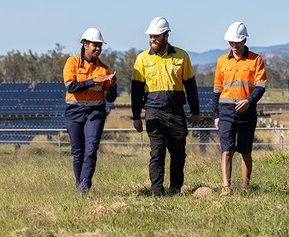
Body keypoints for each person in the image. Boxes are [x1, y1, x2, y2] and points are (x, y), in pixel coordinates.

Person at [131, 16, 200, 197]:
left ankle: (175, 189)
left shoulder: (182, 56)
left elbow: (190, 86)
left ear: (166, 36)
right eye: (151, 36)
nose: (152, 39)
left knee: (179, 154)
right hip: (153, 113)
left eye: (156, 36)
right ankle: (157, 192)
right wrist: (136, 116)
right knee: (157, 153)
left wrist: (195, 111)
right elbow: (136, 90)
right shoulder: (142, 58)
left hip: (177, 113)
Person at [213, 21, 267, 196]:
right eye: (230, 42)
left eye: (237, 42)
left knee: (245, 151)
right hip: (226, 111)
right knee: (226, 151)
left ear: (244, 40)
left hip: (247, 112)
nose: (234, 46)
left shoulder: (256, 60)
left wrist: (249, 101)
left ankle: (246, 187)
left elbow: (260, 86)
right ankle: (226, 187)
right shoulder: (221, 61)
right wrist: (216, 114)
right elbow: (217, 89)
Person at [63, 28, 118, 197]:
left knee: (91, 149)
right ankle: (80, 187)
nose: (98, 49)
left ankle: (84, 189)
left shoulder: (105, 69)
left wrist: (113, 85)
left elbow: (110, 98)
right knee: (77, 152)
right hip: (74, 112)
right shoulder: (72, 63)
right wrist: (93, 80)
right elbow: (71, 86)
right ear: (85, 44)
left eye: (100, 46)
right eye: (95, 45)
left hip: (95, 113)